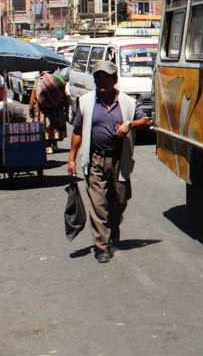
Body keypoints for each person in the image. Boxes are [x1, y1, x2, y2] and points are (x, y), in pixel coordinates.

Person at [67, 60, 151, 263]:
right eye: (97, 77)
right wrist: (71, 159)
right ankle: (102, 246)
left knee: (119, 201)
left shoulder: (127, 103)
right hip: (95, 159)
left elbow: (147, 122)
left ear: (115, 80)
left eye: (105, 77)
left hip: (118, 161)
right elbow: (77, 131)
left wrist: (129, 124)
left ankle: (113, 229)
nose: (101, 81)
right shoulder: (86, 101)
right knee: (99, 204)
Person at [28, 70, 69, 154]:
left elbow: (33, 97)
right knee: (55, 127)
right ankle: (55, 145)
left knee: (46, 128)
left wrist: (31, 110)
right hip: (57, 109)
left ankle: (47, 146)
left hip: (43, 110)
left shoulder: (39, 82)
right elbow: (65, 96)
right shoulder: (58, 81)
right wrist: (66, 108)